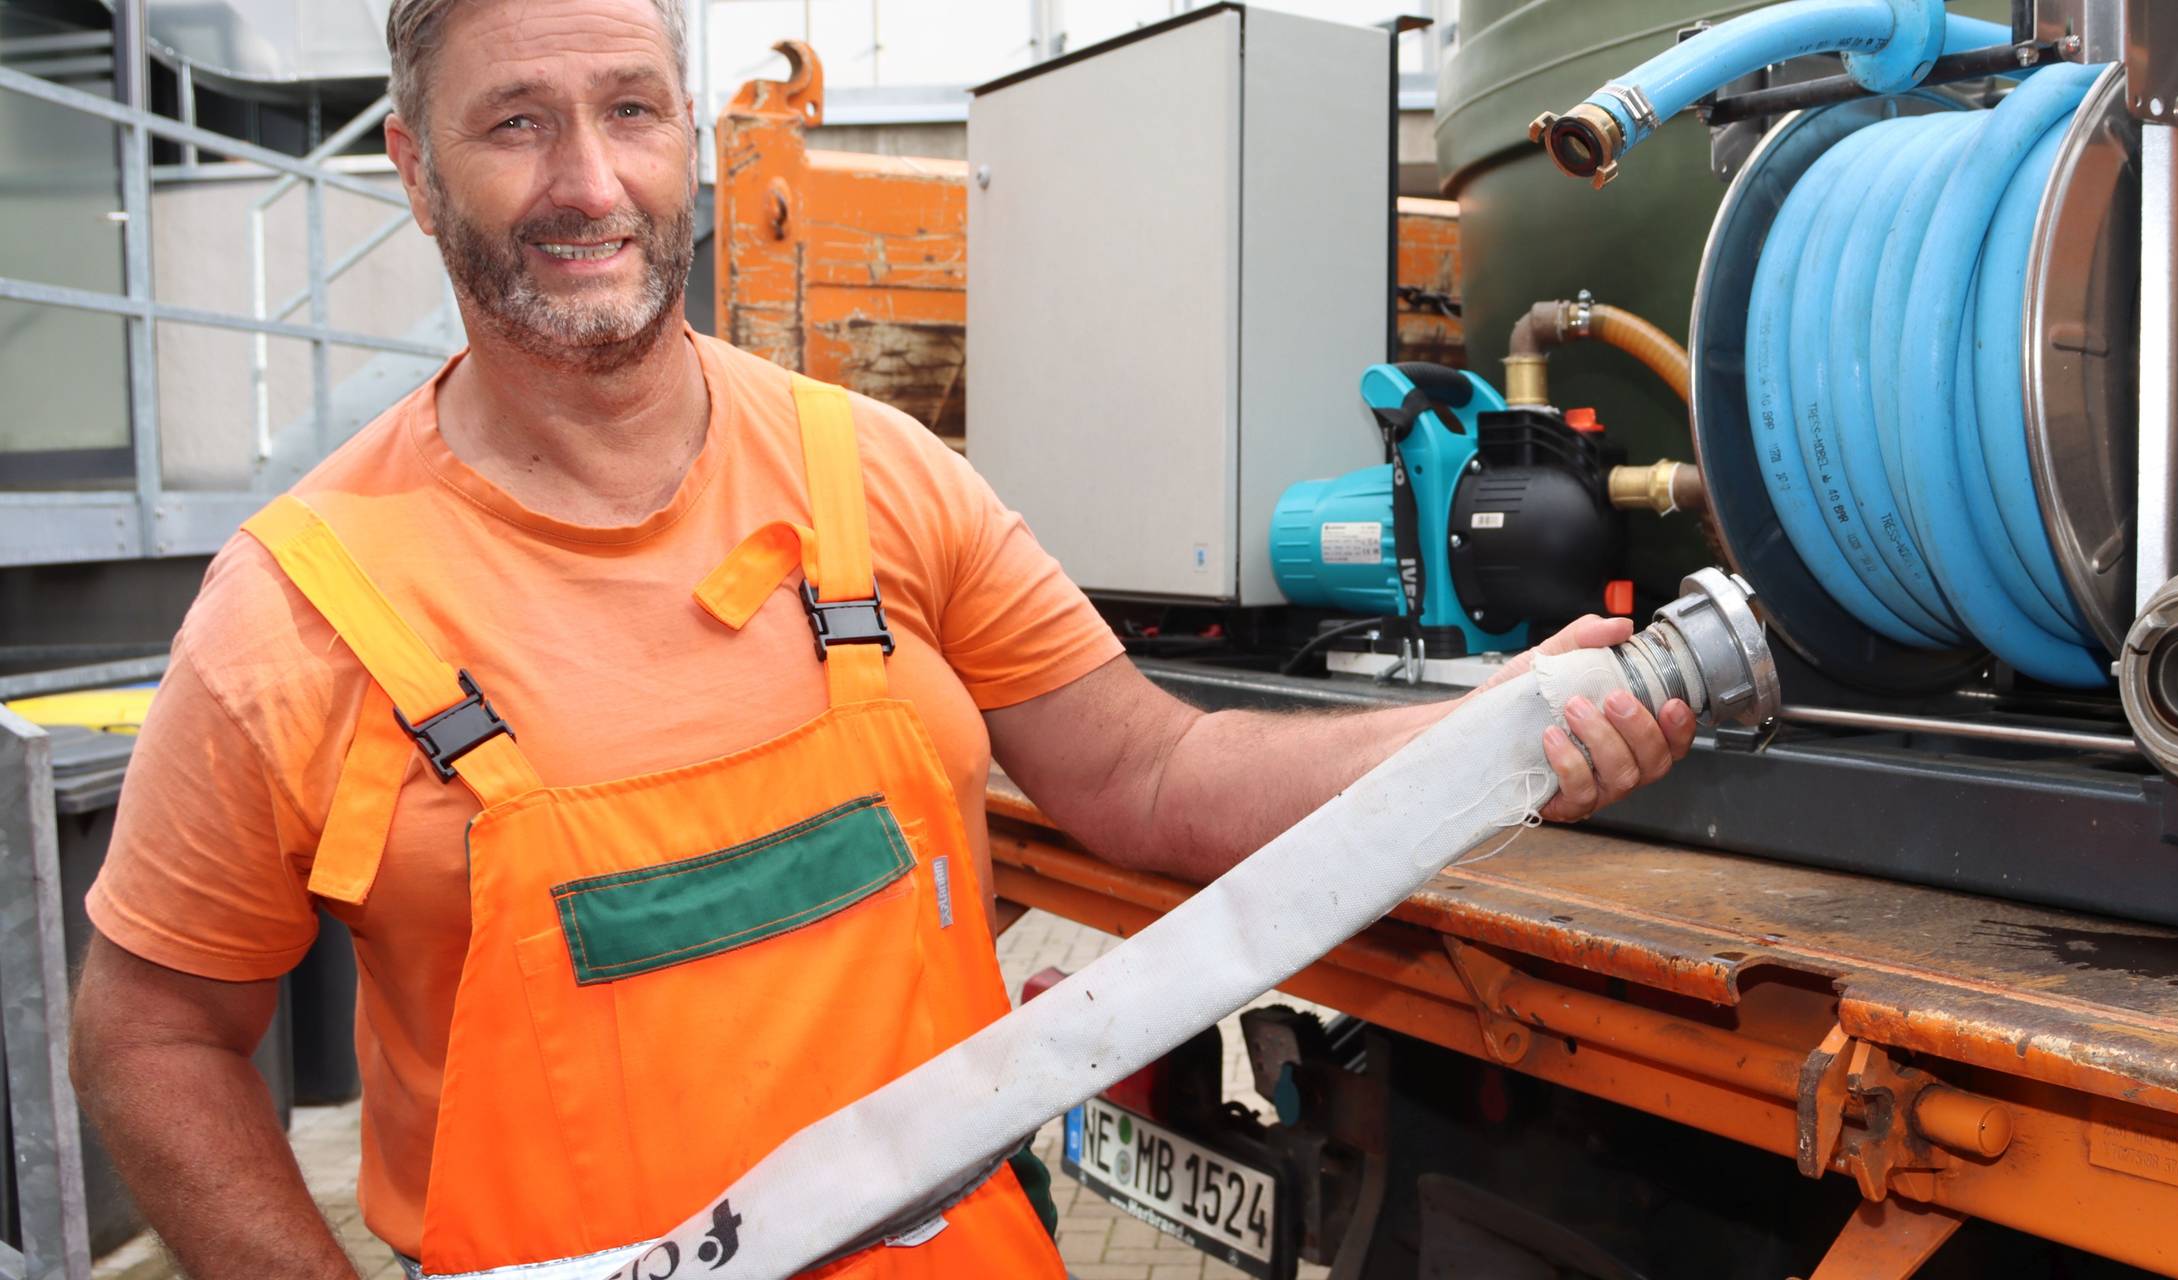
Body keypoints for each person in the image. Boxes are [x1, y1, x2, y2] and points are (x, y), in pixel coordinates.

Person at [63, 0, 1697, 1275]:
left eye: (630, 109)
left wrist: (1491, 725)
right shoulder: (297, 612)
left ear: (685, 132)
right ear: (416, 170)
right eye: (514, 125)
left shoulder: (880, 480)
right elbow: (148, 1028)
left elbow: (1153, 772)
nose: (589, 181)